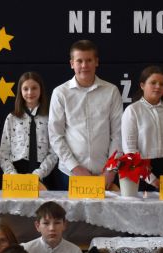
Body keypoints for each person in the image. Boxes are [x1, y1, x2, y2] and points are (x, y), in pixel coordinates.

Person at [48, 40, 123, 187]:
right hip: (70, 174)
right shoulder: (60, 93)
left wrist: (111, 169)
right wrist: (76, 168)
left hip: (105, 173)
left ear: (96, 62)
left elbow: (118, 134)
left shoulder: (111, 91)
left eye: (89, 60)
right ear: (72, 64)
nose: (84, 65)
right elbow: (55, 135)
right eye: (79, 61)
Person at [121, 66, 163, 190]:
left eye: (162, 84)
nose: (158, 86)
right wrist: (151, 179)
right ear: (142, 85)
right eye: (153, 83)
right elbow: (129, 150)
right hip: (142, 174)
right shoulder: (132, 110)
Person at [0, 71, 59, 188]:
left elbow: (54, 152)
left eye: (34, 88)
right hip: (16, 174)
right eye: (25, 89)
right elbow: (3, 153)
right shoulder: (11, 118)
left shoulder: (50, 117)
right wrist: (12, 175)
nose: (30, 92)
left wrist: (38, 174)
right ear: (20, 91)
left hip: (43, 174)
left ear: (41, 90)